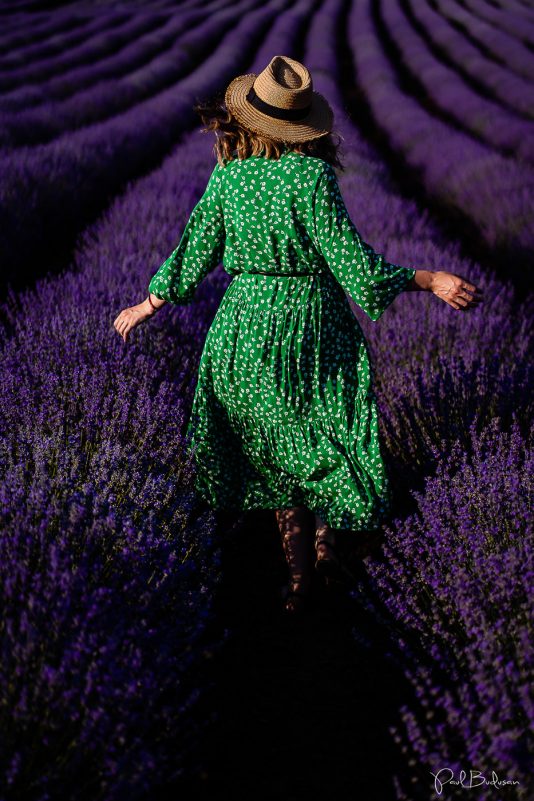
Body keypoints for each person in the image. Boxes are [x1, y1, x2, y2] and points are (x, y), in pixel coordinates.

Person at [113, 55, 482, 615]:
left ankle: (299, 581)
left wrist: (149, 303)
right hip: (313, 324)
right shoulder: (312, 179)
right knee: (328, 433)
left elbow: (194, 251)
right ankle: (329, 550)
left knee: (277, 451)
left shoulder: (228, 177)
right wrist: (429, 279)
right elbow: (357, 270)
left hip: (245, 327)